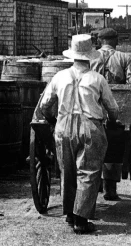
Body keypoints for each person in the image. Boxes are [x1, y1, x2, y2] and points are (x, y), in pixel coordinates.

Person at [33, 34, 119, 234]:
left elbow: (44, 106)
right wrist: (113, 121)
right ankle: (81, 219)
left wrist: (53, 121)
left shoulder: (59, 77)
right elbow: (112, 108)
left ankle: (71, 215)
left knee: (68, 171)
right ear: (90, 56)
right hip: (90, 128)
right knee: (88, 173)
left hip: (63, 128)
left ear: (72, 55)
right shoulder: (98, 79)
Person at [90, 27, 131, 201]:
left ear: (99, 41)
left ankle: (91, 185)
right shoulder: (124, 58)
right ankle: (110, 189)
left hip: (92, 109)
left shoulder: (90, 58)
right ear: (116, 41)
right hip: (117, 111)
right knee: (117, 143)